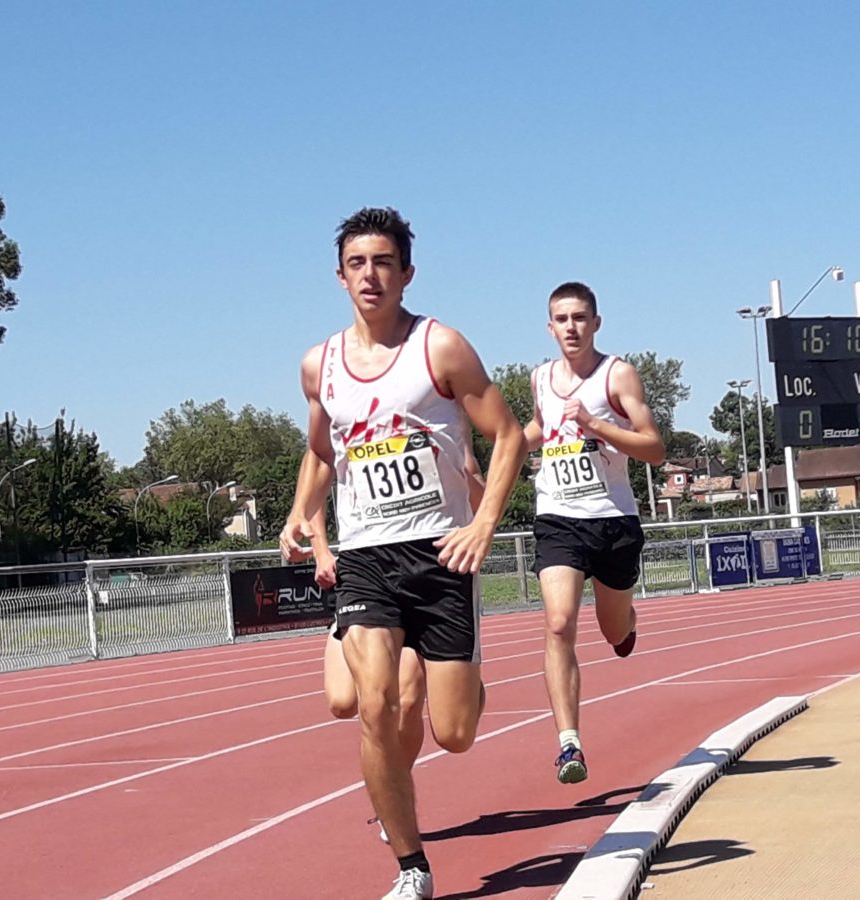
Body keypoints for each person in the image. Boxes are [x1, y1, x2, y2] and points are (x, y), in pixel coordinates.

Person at [280, 207, 526, 900]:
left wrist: (482, 524)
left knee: (452, 734)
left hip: (441, 554)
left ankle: (468, 674)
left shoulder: (440, 348)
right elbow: (323, 452)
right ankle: (411, 866)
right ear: (340, 276)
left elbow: (506, 435)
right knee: (375, 703)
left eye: (383, 262)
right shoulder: (318, 365)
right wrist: (303, 513)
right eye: (357, 264)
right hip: (366, 556)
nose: (370, 275)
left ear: (406, 273)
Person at [523, 281, 665, 785]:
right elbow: (540, 426)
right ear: (550, 327)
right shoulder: (540, 377)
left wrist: (597, 426)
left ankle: (626, 620)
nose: (571, 327)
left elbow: (653, 448)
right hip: (558, 517)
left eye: (580, 317)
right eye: (562, 319)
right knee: (559, 623)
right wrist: (508, 450)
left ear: (596, 323)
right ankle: (568, 743)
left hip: (613, 521)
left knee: (612, 632)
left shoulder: (616, 374)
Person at [310, 449, 487, 845]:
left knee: (426, 714)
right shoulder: (348, 419)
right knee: (342, 702)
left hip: (427, 569)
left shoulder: (443, 427)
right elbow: (315, 484)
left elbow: (481, 498)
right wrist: (321, 549)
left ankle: (392, 798)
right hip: (366, 569)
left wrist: (463, 481)